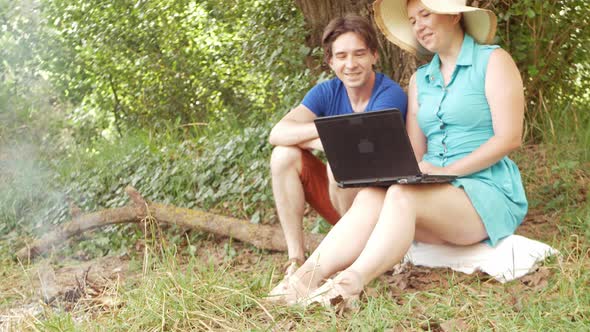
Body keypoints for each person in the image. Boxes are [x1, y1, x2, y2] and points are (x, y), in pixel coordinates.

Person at [267, 0, 528, 309]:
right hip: (436, 191)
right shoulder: (421, 80)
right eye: (413, 19)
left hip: (486, 191)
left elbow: (509, 138)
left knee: (403, 195)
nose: (418, 25)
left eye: (426, 14)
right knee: (373, 195)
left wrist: (449, 171)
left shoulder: (494, 61)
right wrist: (413, 174)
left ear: (454, 14)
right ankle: (302, 279)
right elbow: (413, 155)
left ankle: (348, 285)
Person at [268, 14, 408, 279]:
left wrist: (324, 139)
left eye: (359, 54)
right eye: (342, 56)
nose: (351, 64)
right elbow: (278, 133)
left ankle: (352, 252)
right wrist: (325, 134)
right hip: (340, 201)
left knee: (340, 164)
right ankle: (295, 258)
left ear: (374, 56)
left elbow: (360, 145)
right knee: (283, 155)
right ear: (331, 61)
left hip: (380, 210)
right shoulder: (327, 92)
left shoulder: (389, 94)